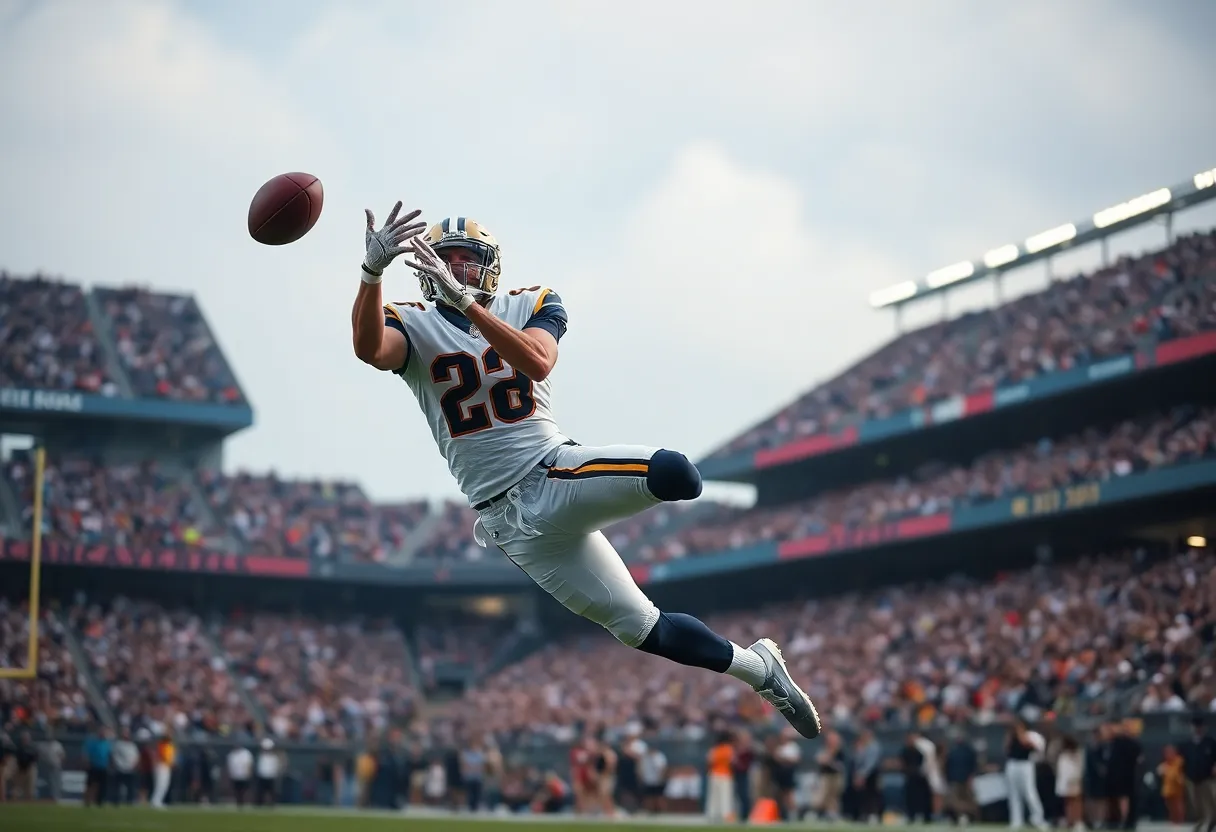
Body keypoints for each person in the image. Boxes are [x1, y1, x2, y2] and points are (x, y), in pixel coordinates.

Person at [350, 206, 820, 740]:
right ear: (426, 266)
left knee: (677, 475)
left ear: (490, 267)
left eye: (468, 261)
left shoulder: (532, 302)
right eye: (448, 259)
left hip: (550, 472)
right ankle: (760, 671)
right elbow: (369, 348)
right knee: (643, 629)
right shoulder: (410, 319)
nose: (457, 270)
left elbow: (537, 362)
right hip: (508, 525)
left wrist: (468, 309)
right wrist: (371, 274)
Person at [1005, 719, 1046, 830]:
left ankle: (1038, 819)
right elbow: (1007, 748)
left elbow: (1031, 746)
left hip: (1025, 765)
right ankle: (1016, 821)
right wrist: (1011, 734)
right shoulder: (1011, 735)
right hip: (1013, 764)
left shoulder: (1030, 735)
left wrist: (1020, 734)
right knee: (1014, 794)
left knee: (1029, 792)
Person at [1055, 735, 1084, 832]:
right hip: (1065, 782)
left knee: (1076, 802)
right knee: (1068, 803)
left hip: (1075, 781)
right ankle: (1070, 821)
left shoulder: (1077, 754)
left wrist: (1076, 779)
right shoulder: (1063, 756)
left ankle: (1077, 821)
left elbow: (1079, 768)